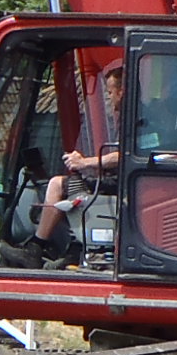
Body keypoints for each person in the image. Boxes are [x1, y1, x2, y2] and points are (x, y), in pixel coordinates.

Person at [32, 65, 125, 258]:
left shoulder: (136, 121)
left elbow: (125, 155)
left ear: (121, 92)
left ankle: (37, 245)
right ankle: (72, 246)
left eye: (109, 93)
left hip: (124, 186)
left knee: (57, 184)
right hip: (121, 181)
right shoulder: (128, 119)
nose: (108, 98)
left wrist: (84, 163)